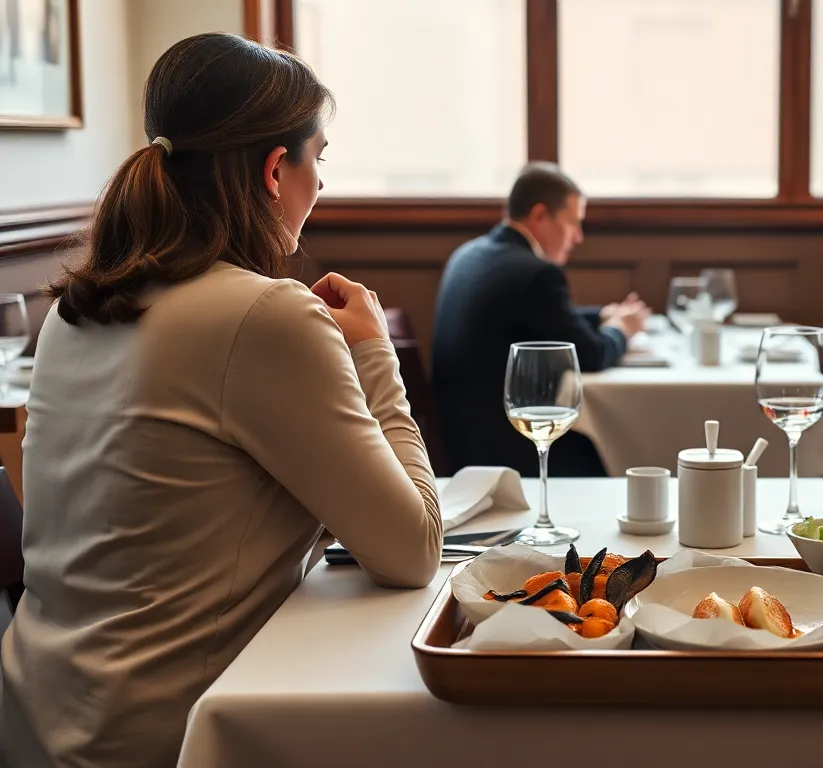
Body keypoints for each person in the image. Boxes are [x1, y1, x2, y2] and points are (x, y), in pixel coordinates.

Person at [1, 33, 444, 767]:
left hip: (37, 717)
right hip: (171, 737)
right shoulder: (264, 316)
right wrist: (373, 352)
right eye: (318, 161)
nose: (321, 186)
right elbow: (415, 549)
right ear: (277, 170)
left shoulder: (78, 309)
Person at [431, 162, 647, 477]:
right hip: (508, 447)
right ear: (540, 216)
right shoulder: (536, 274)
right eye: (573, 223)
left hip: (463, 436)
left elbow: (551, 320)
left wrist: (602, 314)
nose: (578, 237)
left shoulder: (471, 253)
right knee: (620, 447)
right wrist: (622, 329)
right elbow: (591, 353)